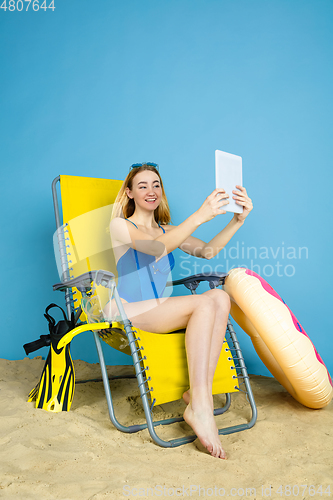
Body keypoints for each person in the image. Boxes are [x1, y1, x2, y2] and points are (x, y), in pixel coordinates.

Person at [106, 162, 253, 459]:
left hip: (160, 310)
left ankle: (198, 398)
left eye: (156, 184)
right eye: (143, 185)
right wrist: (199, 216)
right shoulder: (121, 226)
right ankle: (200, 404)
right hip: (129, 310)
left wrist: (237, 220)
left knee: (220, 298)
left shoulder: (169, 230)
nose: (151, 191)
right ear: (130, 193)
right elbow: (156, 248)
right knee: (207, 300)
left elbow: (208, 251)